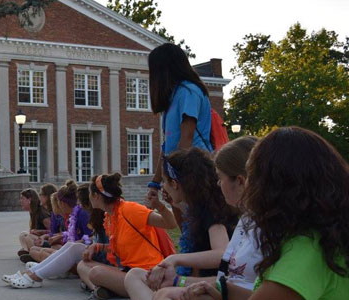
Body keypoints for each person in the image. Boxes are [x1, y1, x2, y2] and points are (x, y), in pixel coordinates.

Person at [187, 127, 349, 300]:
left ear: (274, 186)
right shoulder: (319, 238)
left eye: (253, 175)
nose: (248, 185)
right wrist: (223, 291)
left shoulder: (305, 251)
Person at [128, 136, 260, 300]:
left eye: (220, 177)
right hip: (212, 283)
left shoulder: (211, 211)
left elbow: (221, 254)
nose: (218, 184)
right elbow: (186, 234)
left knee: (160, 292)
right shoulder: (245, 219)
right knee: (137, 277)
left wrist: (177, 272)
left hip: (212, 283)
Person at [145, 43, 214, 245]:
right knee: (186, 231)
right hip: (177, 171)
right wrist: (156, 181)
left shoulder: (189, 91)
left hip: (195, 170)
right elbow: (168, 145)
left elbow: (187, 136)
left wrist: (177, 176)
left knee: (198, 228)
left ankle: (198, 267)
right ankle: (187, 265)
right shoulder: (173, 98)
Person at [75, 173, 177, 299]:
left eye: (90, 193)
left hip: (148, 273)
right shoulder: (109, 216)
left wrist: (159, 206)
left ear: (96, 196)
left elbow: (170, 223)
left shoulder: (130, 209)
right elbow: (121, 246)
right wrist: (98, 246)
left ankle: (106, 290)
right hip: (127, 271)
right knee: (83, 265)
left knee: (95, 273)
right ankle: (103, 290)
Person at [3, 180, 95, 288]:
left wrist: (60, 237)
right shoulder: (76, 214)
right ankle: (33, 272)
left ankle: (36, 275)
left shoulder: (82, 213)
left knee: (67, 247)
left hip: (89, 256)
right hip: (82, 253)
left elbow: (89, 238)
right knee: (65, 246)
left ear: (63, 203)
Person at [17, 189, 50, 257]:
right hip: (37, 239)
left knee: (28, 237)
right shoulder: (32, 212)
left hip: (44, 241)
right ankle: (26, 251)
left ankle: (33, 254)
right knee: (23, 235)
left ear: (29, 199)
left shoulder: (42, 213)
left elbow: (53, 231)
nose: (21, 201)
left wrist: (39, 231)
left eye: (22, 198)